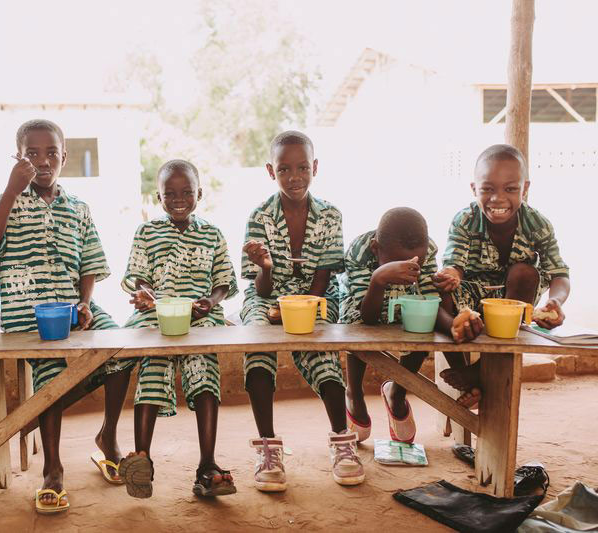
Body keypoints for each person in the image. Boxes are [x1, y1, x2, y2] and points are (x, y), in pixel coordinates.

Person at [0, 119, 134, 514]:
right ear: (19, 158)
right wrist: (12, 190)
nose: (43, 161)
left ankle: (109, 438)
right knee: (51, 372)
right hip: (26, 314)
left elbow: (90, 265)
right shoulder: (8, 200)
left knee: (122, 348)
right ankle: (52, 469)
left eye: (51, 153)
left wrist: (85, 303)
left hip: (71, 307)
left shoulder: (78, 209)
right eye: (32, 153)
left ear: (64, 157)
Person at [241, 130, 363, 489]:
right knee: (258, 349)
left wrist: (302, 309)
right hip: (266, 298)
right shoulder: (259, 216)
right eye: (284, 169)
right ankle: (268, 447)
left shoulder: (329, 215)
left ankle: (342, 441)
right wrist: (265, 266)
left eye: (302, 167)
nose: (294, 177)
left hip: (315, 295)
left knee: (321, 351)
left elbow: (323, 275)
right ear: (270, 171)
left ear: (315, 167)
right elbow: (261, 287)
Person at [118, 159, 237, 499]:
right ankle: (143, 459)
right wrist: (147, 294)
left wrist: (210, 304)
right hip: (157, 316)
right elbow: (138, 276)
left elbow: (223, 281)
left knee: (204, 370)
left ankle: (207, 465)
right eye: (170, 193)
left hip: (200, 319)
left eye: (187, 192)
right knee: (153, 367)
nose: (179, 199)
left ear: (200, 194)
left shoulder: (212, 233)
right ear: (159, 197)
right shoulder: (147, 232)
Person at [433, 144, 570, 406]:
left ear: (525, 188)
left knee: (525, 272)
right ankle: (469, 375)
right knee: (438, 291)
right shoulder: (465, 220)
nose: (498, 199)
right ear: (474, 189)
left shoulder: (537, 225)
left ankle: (477, 373)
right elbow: (455, 264)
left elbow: (559, 274)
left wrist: (556, 302)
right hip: (470, 304)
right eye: (487, 189)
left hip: (513, 306)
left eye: (510, 189)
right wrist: (450, 275)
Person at [340, 207, 484, 444]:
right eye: (399, 262)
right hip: (364, 305)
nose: (409, 268)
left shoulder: (427, 249)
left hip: (405, 304)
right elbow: (367, 317)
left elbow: (429, 299)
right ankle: (354, 391)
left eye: (419, 261)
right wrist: (379, 279)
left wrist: (453, 326)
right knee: (355, 327)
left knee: (424, 320)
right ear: (377, 249)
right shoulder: (360, 252)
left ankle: (398, 391)